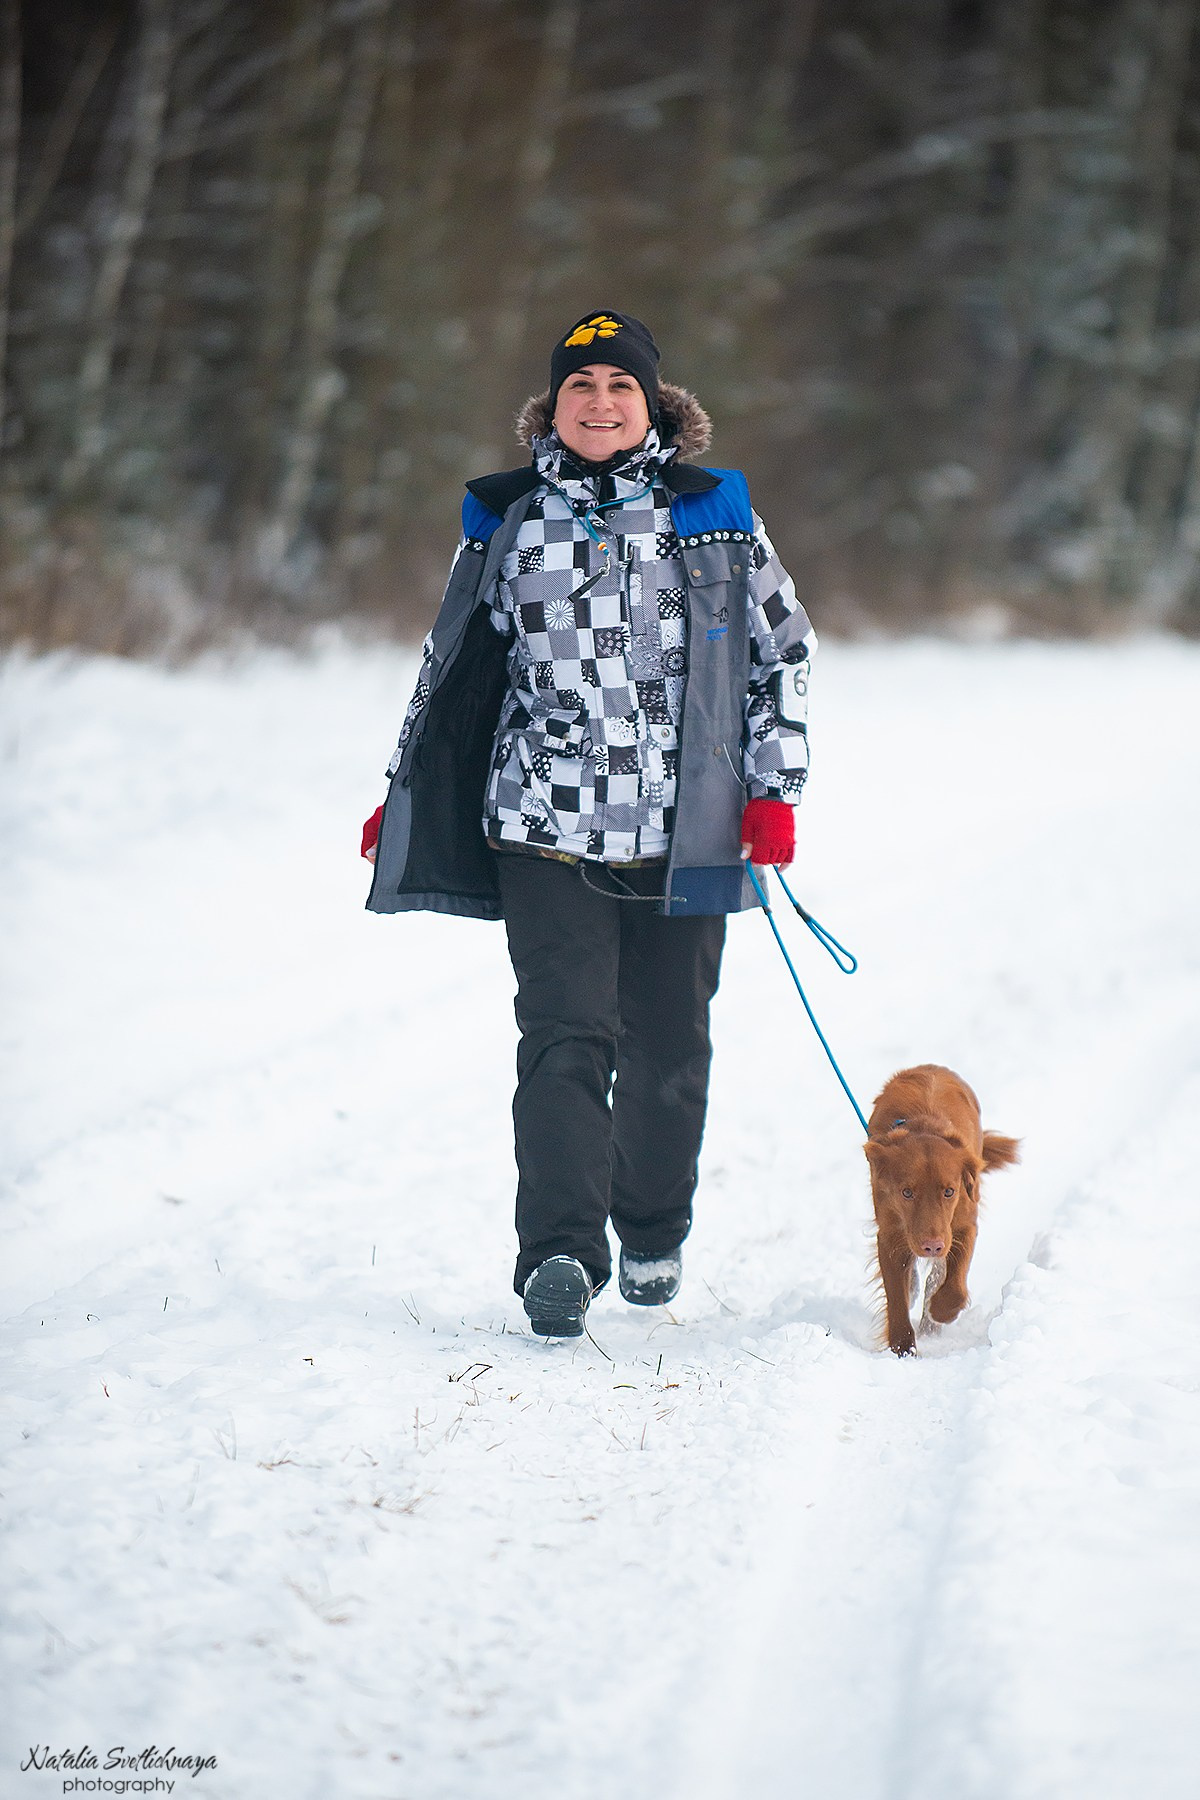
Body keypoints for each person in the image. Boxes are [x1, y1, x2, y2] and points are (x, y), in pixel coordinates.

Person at [362, 310, 815, 1338]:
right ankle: (559, 1255)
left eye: (621, 385)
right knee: (564, 1035)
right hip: (544, 822)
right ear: (552, 407)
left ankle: (653, 1229)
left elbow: (779, 656)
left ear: (654, 404)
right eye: (581, 387)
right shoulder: (507, 520)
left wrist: (773, 794)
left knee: (667, 1047)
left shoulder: (715, 515)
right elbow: (449, 674)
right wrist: (405, 789)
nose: (601, 403)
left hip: (687, 828)